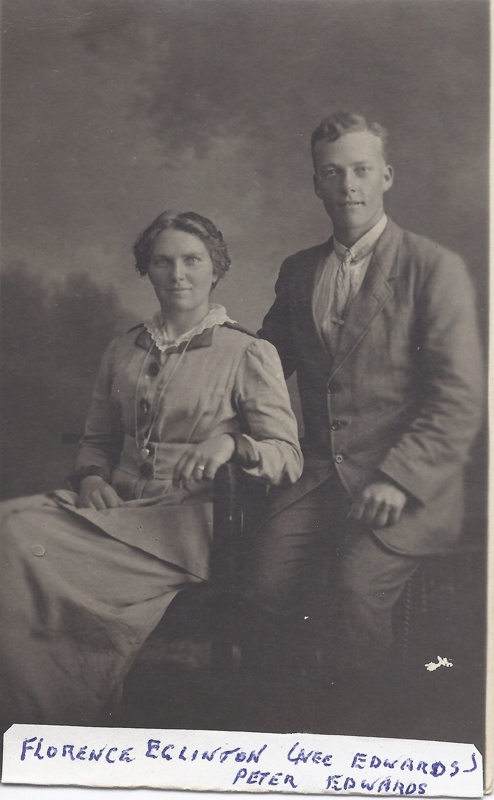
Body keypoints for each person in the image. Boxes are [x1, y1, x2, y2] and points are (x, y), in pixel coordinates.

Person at [0, 210, 303, 728]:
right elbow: (95, 443)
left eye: (192, 260)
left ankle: (53, 716)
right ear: (147, 270)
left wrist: (232, 443)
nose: (178, 274)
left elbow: (288, 456)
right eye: (163, 262)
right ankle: (33, 712)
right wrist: (92, 477)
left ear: (216, 268)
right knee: (9, 523)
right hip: (116, 512)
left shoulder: (247, 351)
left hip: (187, 528)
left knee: (19, 537)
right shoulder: (123, 349)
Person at [250, 112, 483, 710]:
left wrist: (399, 479)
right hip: (322, 477)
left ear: (386, 176)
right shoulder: (299, 271)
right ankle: (290, 727)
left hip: (408, 484)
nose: (348, 185)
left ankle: (368, 736)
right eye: (333, 173)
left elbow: (460, 397)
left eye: (360, 170)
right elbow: (263, 366)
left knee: (355, 592)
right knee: (263, 585)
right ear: (317, 185)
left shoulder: (434, 267)